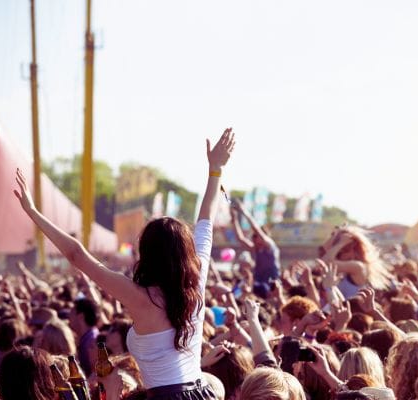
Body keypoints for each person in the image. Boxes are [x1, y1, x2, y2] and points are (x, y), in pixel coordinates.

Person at [14, 128, 236, 399]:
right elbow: (206, 221)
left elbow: (77, 256)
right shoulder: (196, 281)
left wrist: (33, 213)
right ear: (186, 253)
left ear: (147, 254)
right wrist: (215, 171)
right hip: (202, 393)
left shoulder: (140, 296)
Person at [318, 226, 391, 297]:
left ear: (353, 250)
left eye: (341, 252)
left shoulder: (358, 266)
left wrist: (341, 243)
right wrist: (336, 235)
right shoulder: (348, 267)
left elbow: (324, 263)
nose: (338, 256)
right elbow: (325, 248)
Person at [230, 199, 280, 299]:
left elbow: (256, 229)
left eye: (255, 237)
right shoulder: (256, 249)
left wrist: (243, 211)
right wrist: (234, 219)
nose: (253, 239)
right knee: (235, 291)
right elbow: (240, 239)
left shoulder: (270, 245)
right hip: (258, 283)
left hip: (270, 284)